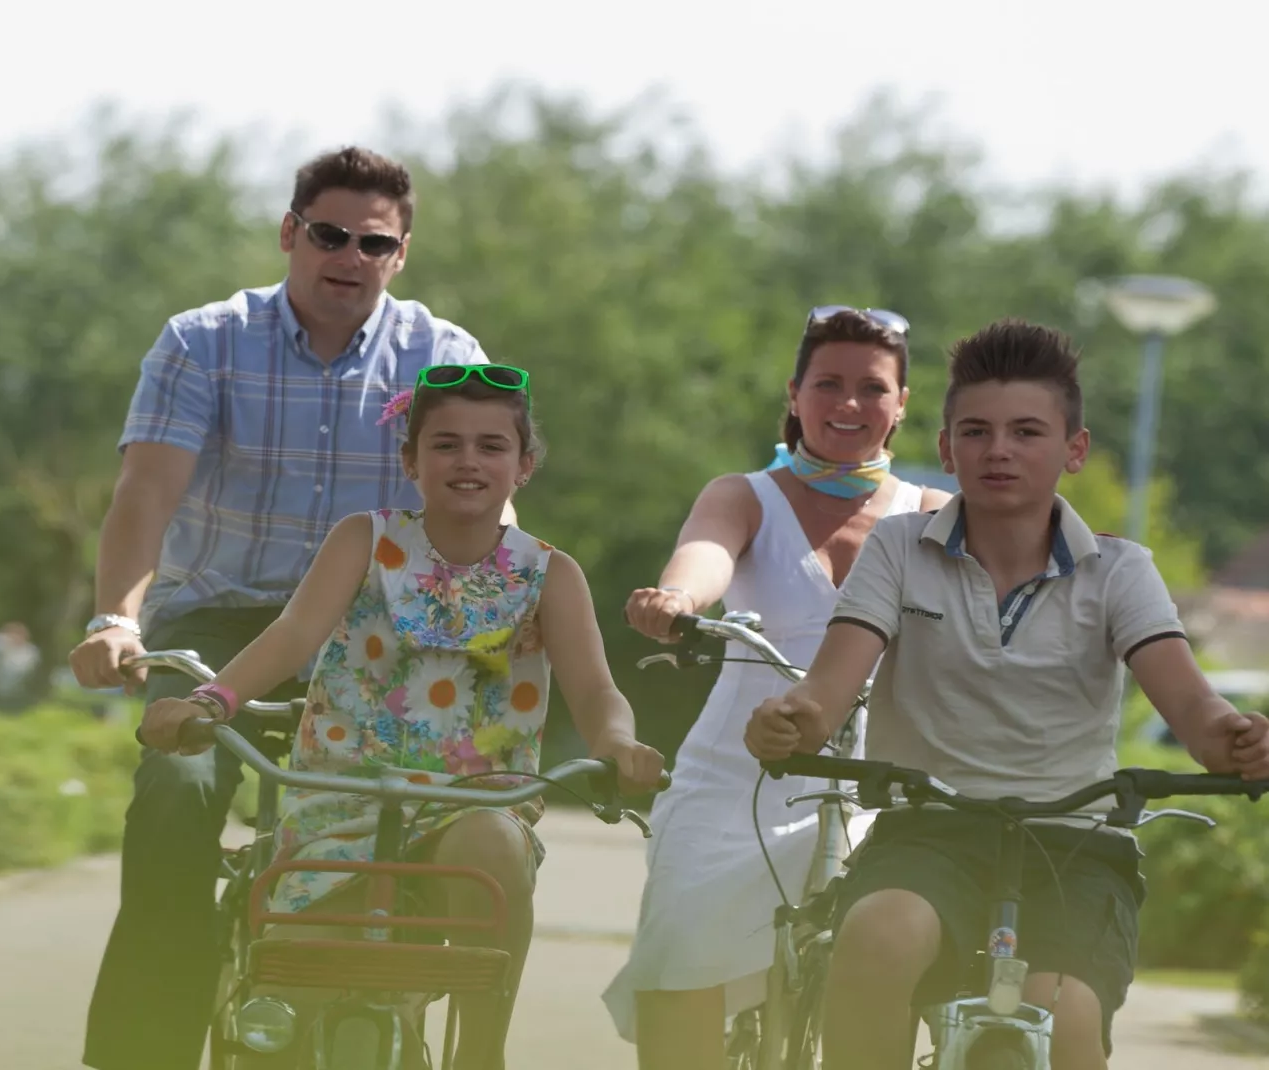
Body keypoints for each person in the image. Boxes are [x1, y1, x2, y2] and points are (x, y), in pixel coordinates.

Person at [68, 146, 509, 1070]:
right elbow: (146, 495)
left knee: (434, 822)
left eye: (373, 241)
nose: (348, 256)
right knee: (177, 795)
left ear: (401, 253)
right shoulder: (203, 340)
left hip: (380, 636)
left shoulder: (444, 356)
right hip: (219, 623)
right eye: (329, 234)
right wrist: (117, 617)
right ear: (289, 233)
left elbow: (484, 509)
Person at [745, 319, 1269, 1070]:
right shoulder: (899, 548)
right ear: (949, 447)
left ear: (1074, 450)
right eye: (976, 432)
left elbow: (1192, 708)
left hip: (1078, 847)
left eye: (1027, 431)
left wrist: (1233, 739)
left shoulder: (1120, 572)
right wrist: (791, 721)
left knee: (1069, 1020)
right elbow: (827, 691)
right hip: (927, 832)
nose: (999, 451)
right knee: (875, 938)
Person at [141, 364, 666, 1070]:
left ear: (525, 466)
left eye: (491, 445)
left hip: (473, 803)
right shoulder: (366, 540)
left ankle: (480, 1050)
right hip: (342, 800)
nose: (469, 461)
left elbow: (596, 689)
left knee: (493, 846)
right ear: (410, 461)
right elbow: (294, 634)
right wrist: (210, 701)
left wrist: (619, 745)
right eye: (445, 444)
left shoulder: (549, 573)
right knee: (291, 985)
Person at [603, 306, 950, 1069]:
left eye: (872, 387)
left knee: (890, 957)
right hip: (739, 773)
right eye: (829, 383)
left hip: (875, 781)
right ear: (794, 394)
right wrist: (678, 602)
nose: (849, 404)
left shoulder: (932, 515)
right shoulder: (746, 494)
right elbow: (703, 555)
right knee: (680, 946)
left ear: (903, 405)